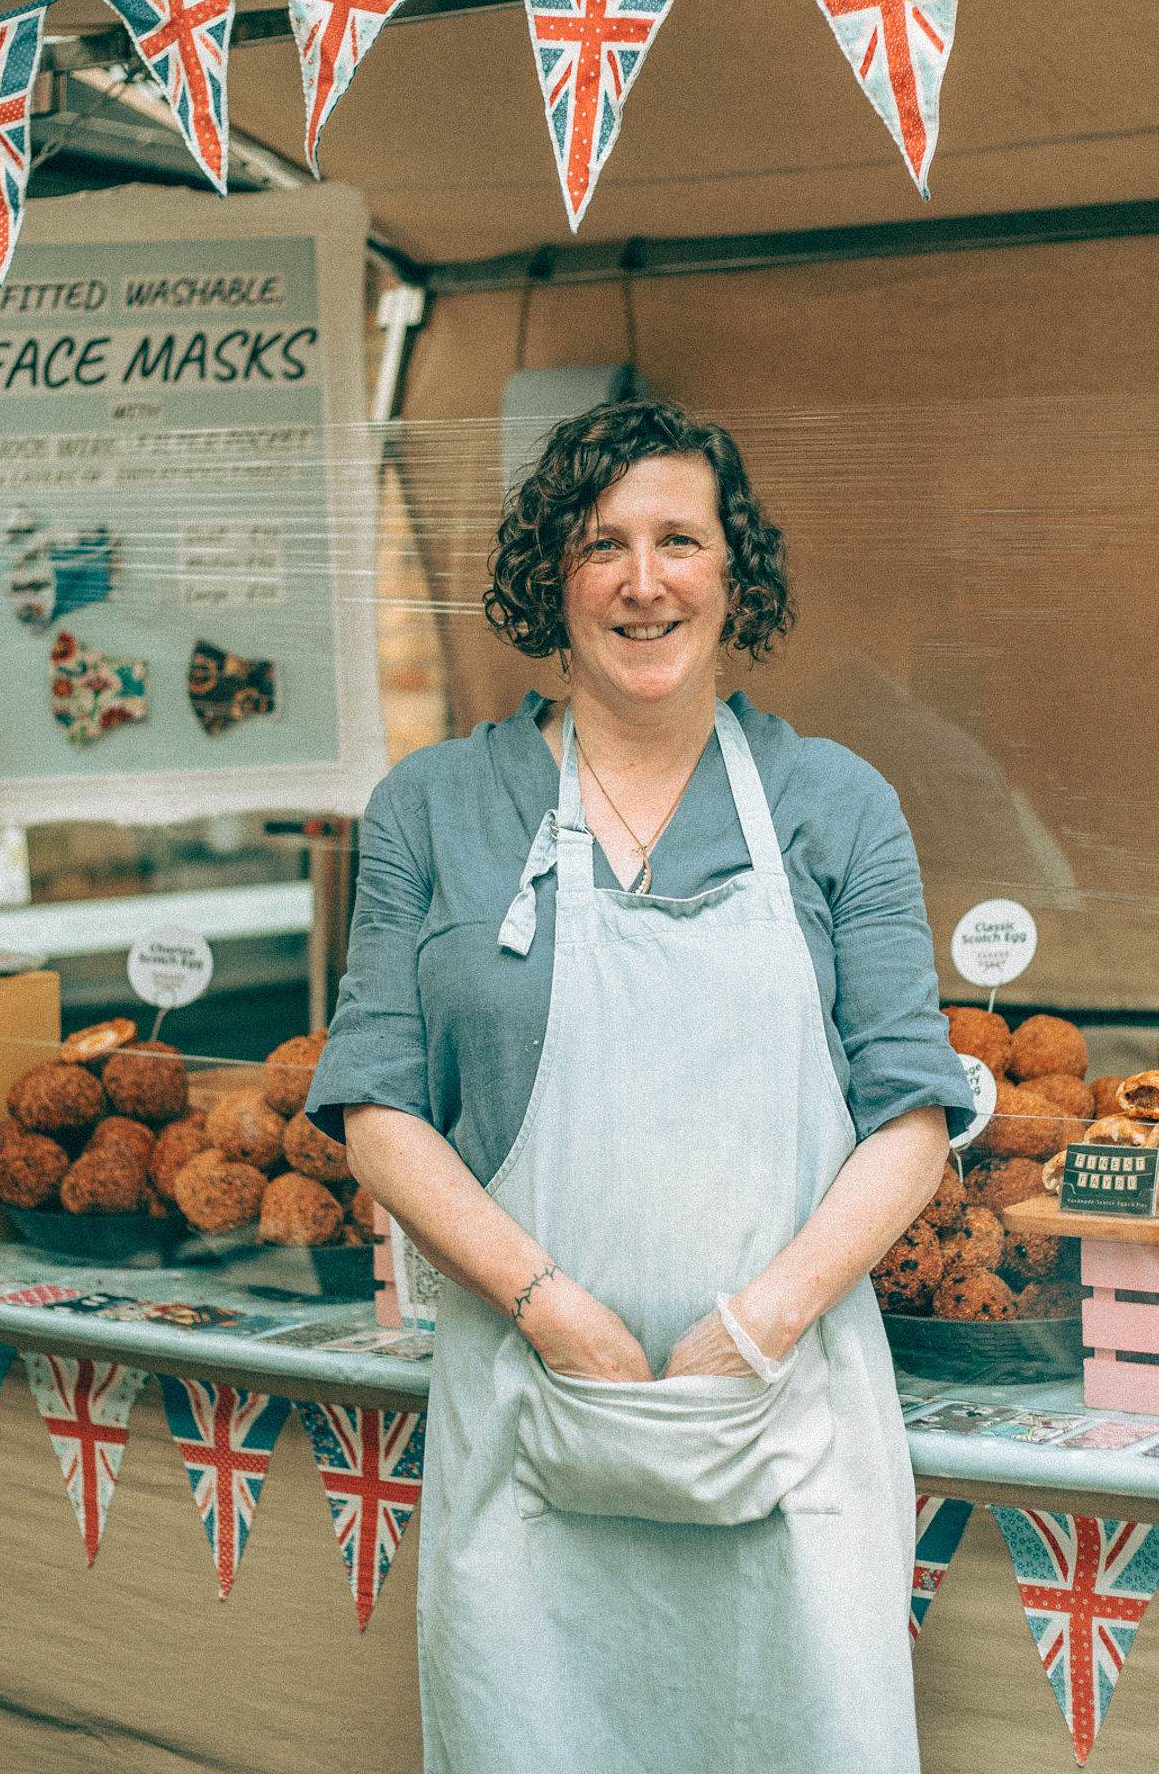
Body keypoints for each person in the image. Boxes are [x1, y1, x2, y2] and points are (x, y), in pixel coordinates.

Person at [307, 400, 974, 1774]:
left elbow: (913, 1115)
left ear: (736, 577)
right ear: (553, 579)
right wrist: (556, 1314)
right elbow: (376, 1108)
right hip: (529, 1425)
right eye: (602, 544)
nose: (642, 578)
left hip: (787, 1432)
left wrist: (756, 1326)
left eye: (681, 539)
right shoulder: (433, 807)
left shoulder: (837, 804)